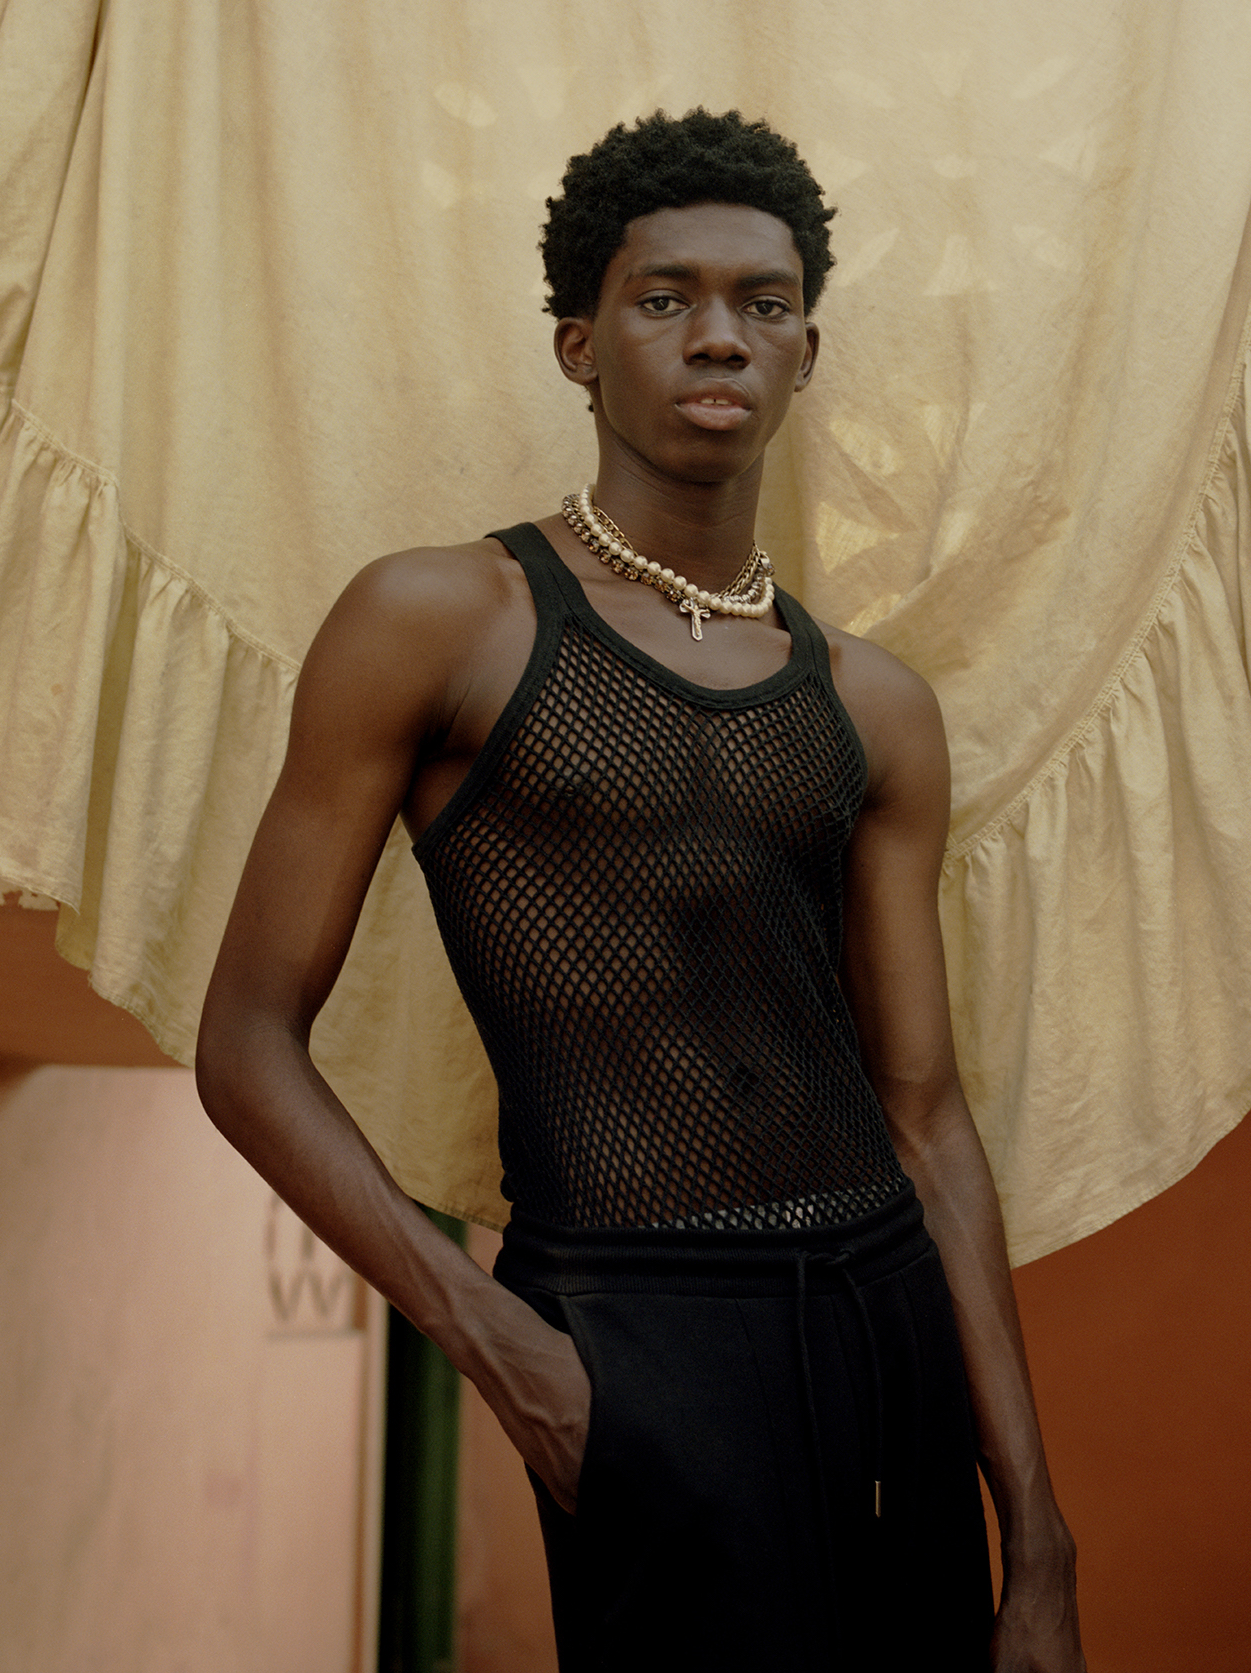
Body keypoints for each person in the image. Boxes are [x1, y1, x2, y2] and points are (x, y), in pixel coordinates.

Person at [197, 108, 1086, 1671]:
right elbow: (248, 1044)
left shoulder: (871, 705)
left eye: (761, 302)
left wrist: (1040, 1539)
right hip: (630, 1327)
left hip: (886, 1320)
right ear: (577, 345)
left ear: (806, 350)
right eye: (663, 299)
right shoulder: (442, 618)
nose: (718, 336)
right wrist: (501, 1346)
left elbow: (927, 1117)